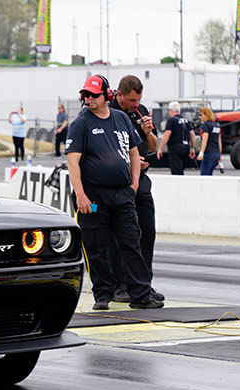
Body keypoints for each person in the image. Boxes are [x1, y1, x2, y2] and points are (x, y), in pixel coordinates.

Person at [64, 74, 163, 310]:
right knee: (96, 245)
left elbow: (134, 152)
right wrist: (80, 194)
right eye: (85, 94)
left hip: (123, 193)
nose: (88, 98)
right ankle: (103, 294)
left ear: (106, 96)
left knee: (132, 242)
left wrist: (134, 184)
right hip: (94, 194)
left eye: (93, 95)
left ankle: (140, 294)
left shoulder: (120, 118)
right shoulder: (81, 123)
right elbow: (72, 162)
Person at [108, 74, 165, 304]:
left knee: (147, 232)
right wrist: (131, 163)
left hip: (141, 181)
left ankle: (144, 284)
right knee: (121, 237)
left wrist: (148, 131)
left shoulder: (140, 111)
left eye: (137, 100)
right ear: (119, 95)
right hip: (119, 183)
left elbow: (152, 148)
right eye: (131, 100)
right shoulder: (109, 112)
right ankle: (120, 285)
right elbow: (105, 150)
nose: (135, 104)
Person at [160, 101, 196, 175]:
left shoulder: (171, 120)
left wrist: (160, 148)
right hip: (186, 147)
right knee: (181, 168)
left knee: (176, 170)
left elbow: (167, 134)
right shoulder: (186, 120)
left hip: (175, 147)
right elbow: (192, 135)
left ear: (171, 111)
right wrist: (192, 148)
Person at [197, 107, 222, 176]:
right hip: (216, 153)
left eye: (201, 115)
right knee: (210, 175)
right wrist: (219, 154)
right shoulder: (216, 126)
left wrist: (201, 152)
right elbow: (219, 141)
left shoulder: (206, 125)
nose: (199, 117)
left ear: (206, 115)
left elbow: (205, 139)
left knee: (204, 175)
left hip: (209, 153)